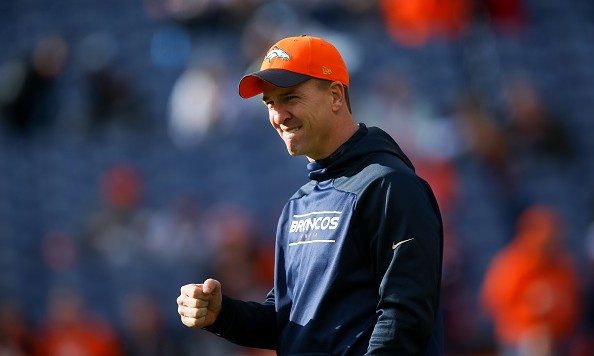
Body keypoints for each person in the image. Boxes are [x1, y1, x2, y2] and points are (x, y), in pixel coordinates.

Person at [177, 35, 444, 355]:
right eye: (270, 103)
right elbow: (287, 322)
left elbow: (405, 318)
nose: (278, 115)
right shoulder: (299, 203)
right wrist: (222, 315)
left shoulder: (389, 187)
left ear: (335, 96)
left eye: (290, 98)